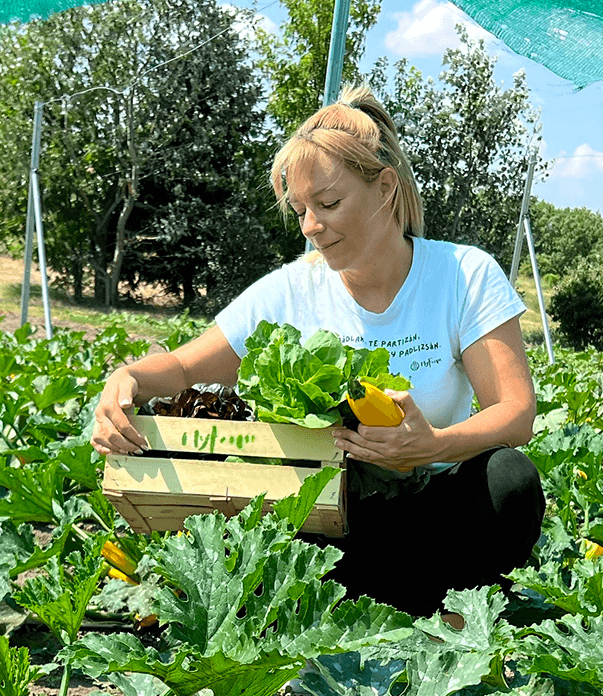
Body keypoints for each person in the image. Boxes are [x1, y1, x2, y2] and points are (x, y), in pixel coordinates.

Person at [92, 85, 545, 621]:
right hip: (329, 528)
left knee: (509, 481)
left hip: (432, 513)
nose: (311, 226)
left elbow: (515, 414)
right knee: (282, 529)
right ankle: (392, 609)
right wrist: (129, 379)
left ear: (384, 188)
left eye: (328, 204)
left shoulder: (462, 274)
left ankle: (442, 606)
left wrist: (431, 444)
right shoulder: (290, 289)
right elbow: (188, 365)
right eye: (301, 209)